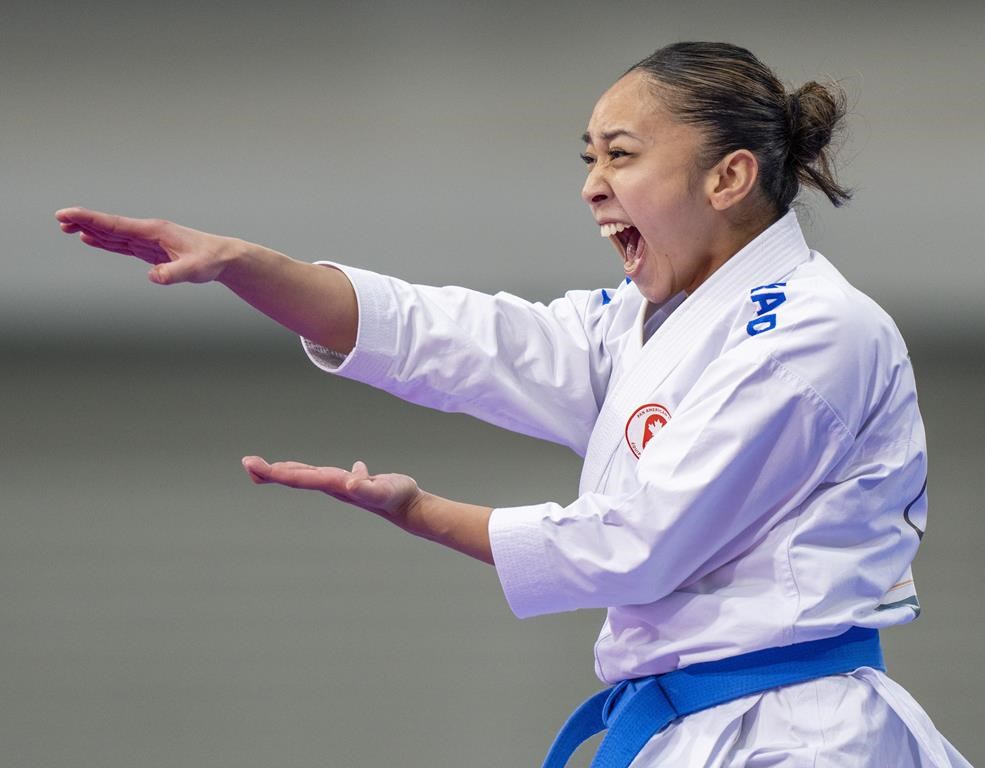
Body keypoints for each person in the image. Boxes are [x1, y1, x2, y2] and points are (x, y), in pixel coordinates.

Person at [56, 41, 970, 768]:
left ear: (726, 179)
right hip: (696, 725)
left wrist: (425, 513)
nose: (590, 184)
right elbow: (457, 338)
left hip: (798, 735)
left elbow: (637, 545)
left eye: (620, 155)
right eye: (588, 159)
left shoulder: (812, 333)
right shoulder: (648, 323)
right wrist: (253, 268)